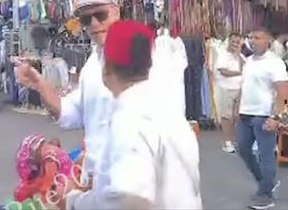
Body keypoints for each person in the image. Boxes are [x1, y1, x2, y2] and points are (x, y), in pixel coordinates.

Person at [16, 0, 186, 184]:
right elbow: (69, 113)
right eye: (86, 20)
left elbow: (167, 125)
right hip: (99, 184)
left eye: (101, 15)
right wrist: (40, 85)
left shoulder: (151, 56)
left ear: (116, 11)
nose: (95, 24)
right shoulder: (92, 66)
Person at [63, 20, 202, 209]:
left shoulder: (130, 119)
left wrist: (75, 201)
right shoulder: (167, 110)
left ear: (107, 68)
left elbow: (127, 200)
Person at [237, 28, 288, 209]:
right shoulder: (249, 61)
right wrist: (238, 109)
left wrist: (277, 118)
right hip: (245, 114)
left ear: (267, 40)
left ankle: (266, 195)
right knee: (243, 149)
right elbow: (245, 88)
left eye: (257, 38)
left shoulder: (275, 63)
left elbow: (283, 93)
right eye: (250, 37)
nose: (252, 41)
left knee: (265, 155)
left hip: (264, 115)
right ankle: (266, 182)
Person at [215, 32, 244, 153]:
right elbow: (223, 71)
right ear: (228, 41)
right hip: (226, 88)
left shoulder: (240, 56)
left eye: (237, 42)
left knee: (236, 117)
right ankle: (227, 142)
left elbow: (245, 68)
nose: (235, 44)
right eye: (233, 41)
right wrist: (239, 73)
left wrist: (238, 55)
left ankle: (234, 140)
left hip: (239, 88)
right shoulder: (222, 54)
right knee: (227, 117)